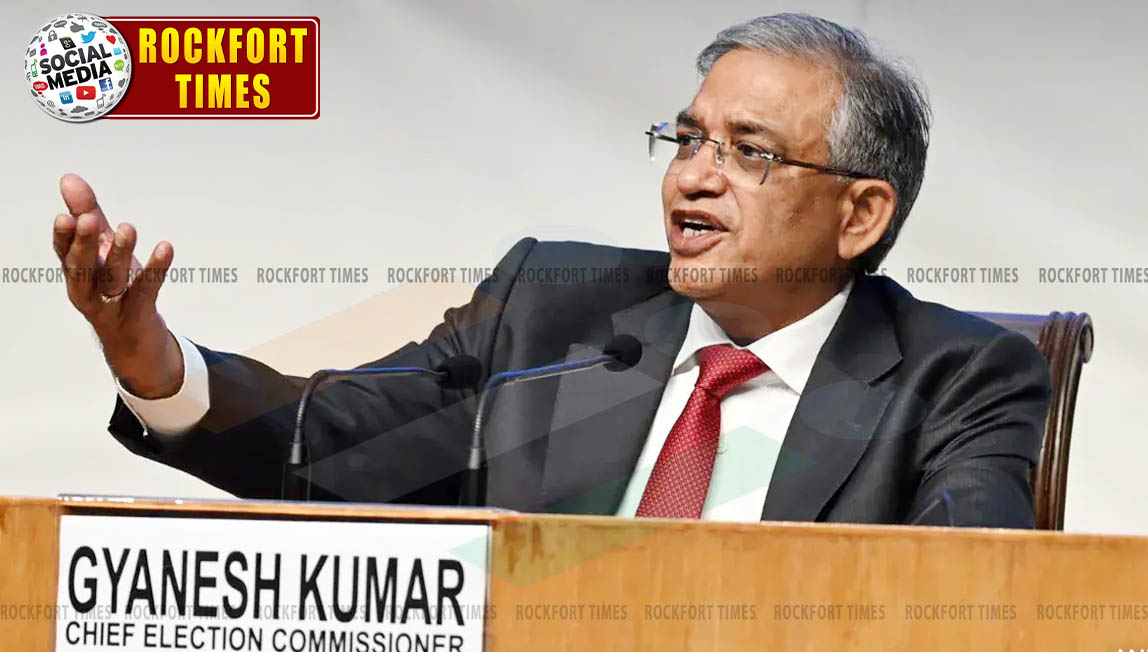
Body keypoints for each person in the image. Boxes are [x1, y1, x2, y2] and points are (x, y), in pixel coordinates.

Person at [52, 14, 1050, 526]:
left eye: (748, 152)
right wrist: (152, 360)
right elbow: (331, 444)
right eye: (686, 139)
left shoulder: (958, 376)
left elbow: (971, 598)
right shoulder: (552, 310)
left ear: (859, 214)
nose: (691, 178)